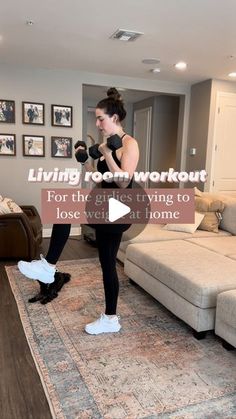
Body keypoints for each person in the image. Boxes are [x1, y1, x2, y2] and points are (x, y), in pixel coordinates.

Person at [18, 87, 139, 335]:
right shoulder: (107, 144)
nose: (97, 123)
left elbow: (124, 181)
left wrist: (108, 154)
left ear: (114, 118)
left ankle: (48, 267)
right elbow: (98, 178)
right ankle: (110, 319)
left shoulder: (130, 144)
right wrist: (86, 162)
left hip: (121, 207)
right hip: (105, 201)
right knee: (107, 263)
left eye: (100, 118)